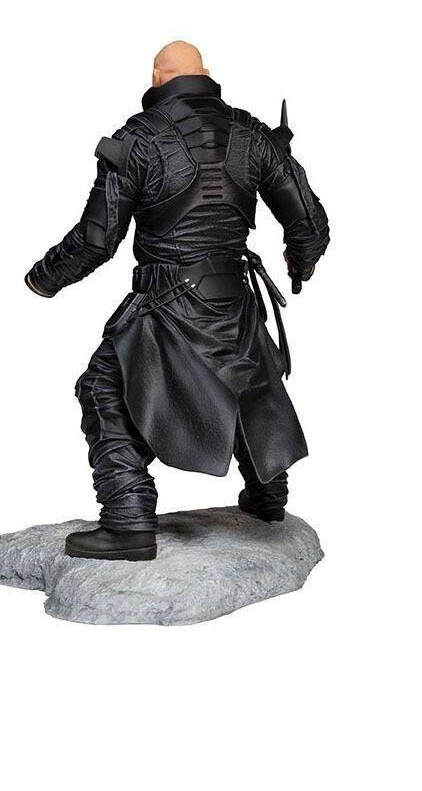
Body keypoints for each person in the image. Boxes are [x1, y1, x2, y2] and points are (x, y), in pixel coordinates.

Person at [26, 42, 330, 561]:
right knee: (243, 380)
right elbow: (310, 224)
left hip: (166, 303)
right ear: (205, 73)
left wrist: (43, 278)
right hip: (234, 300)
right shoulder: (252, 133)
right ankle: (267, 497)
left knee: (103, 388)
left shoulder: (138, 138)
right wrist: (301, 264)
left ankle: (128, 521)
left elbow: (97, 240)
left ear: (155, 76)